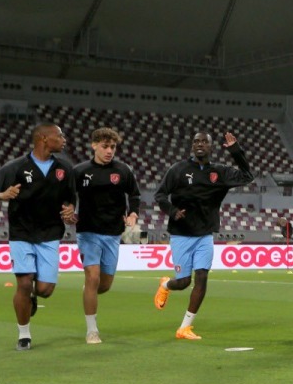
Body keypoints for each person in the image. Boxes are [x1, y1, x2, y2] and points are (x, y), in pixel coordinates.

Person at [0, 122, 77, 351]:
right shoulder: (16, 167)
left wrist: (70, 208)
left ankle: (34, 295)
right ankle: (24, 334)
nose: (63, 140)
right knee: (23, 283)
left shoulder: (65, 168)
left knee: (45, 290)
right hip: (21, 233)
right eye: (59, 136)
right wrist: (3, 194)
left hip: (51, 233)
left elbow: (70, 198)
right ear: (43, 138)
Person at [153, 131, 254, 340]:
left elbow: (247, 176)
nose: (200, 144)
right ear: (192, 146)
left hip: (205, 235)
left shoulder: (219, 172)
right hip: (181, 234)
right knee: (182, 283)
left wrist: (235, 151)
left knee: (202, 278)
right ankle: (165, 284)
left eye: (204, 142)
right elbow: (160, 194)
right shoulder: (178, 170)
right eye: (196, 141)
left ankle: (185, 327)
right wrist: (172, 211)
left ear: (211, 147)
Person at [72, 127, 141, 344]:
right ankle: (92, 331)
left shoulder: (123, 170)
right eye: (105, 146)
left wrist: (132, 214)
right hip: (88, 232)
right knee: (93, 276)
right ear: (94, 146)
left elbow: (134, 194)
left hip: (113, 234)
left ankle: (88, 292)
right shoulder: (80, 171)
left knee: (104, 284)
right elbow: (66, 195)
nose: (109, 151)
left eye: (112, 147)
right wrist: (68, 210)